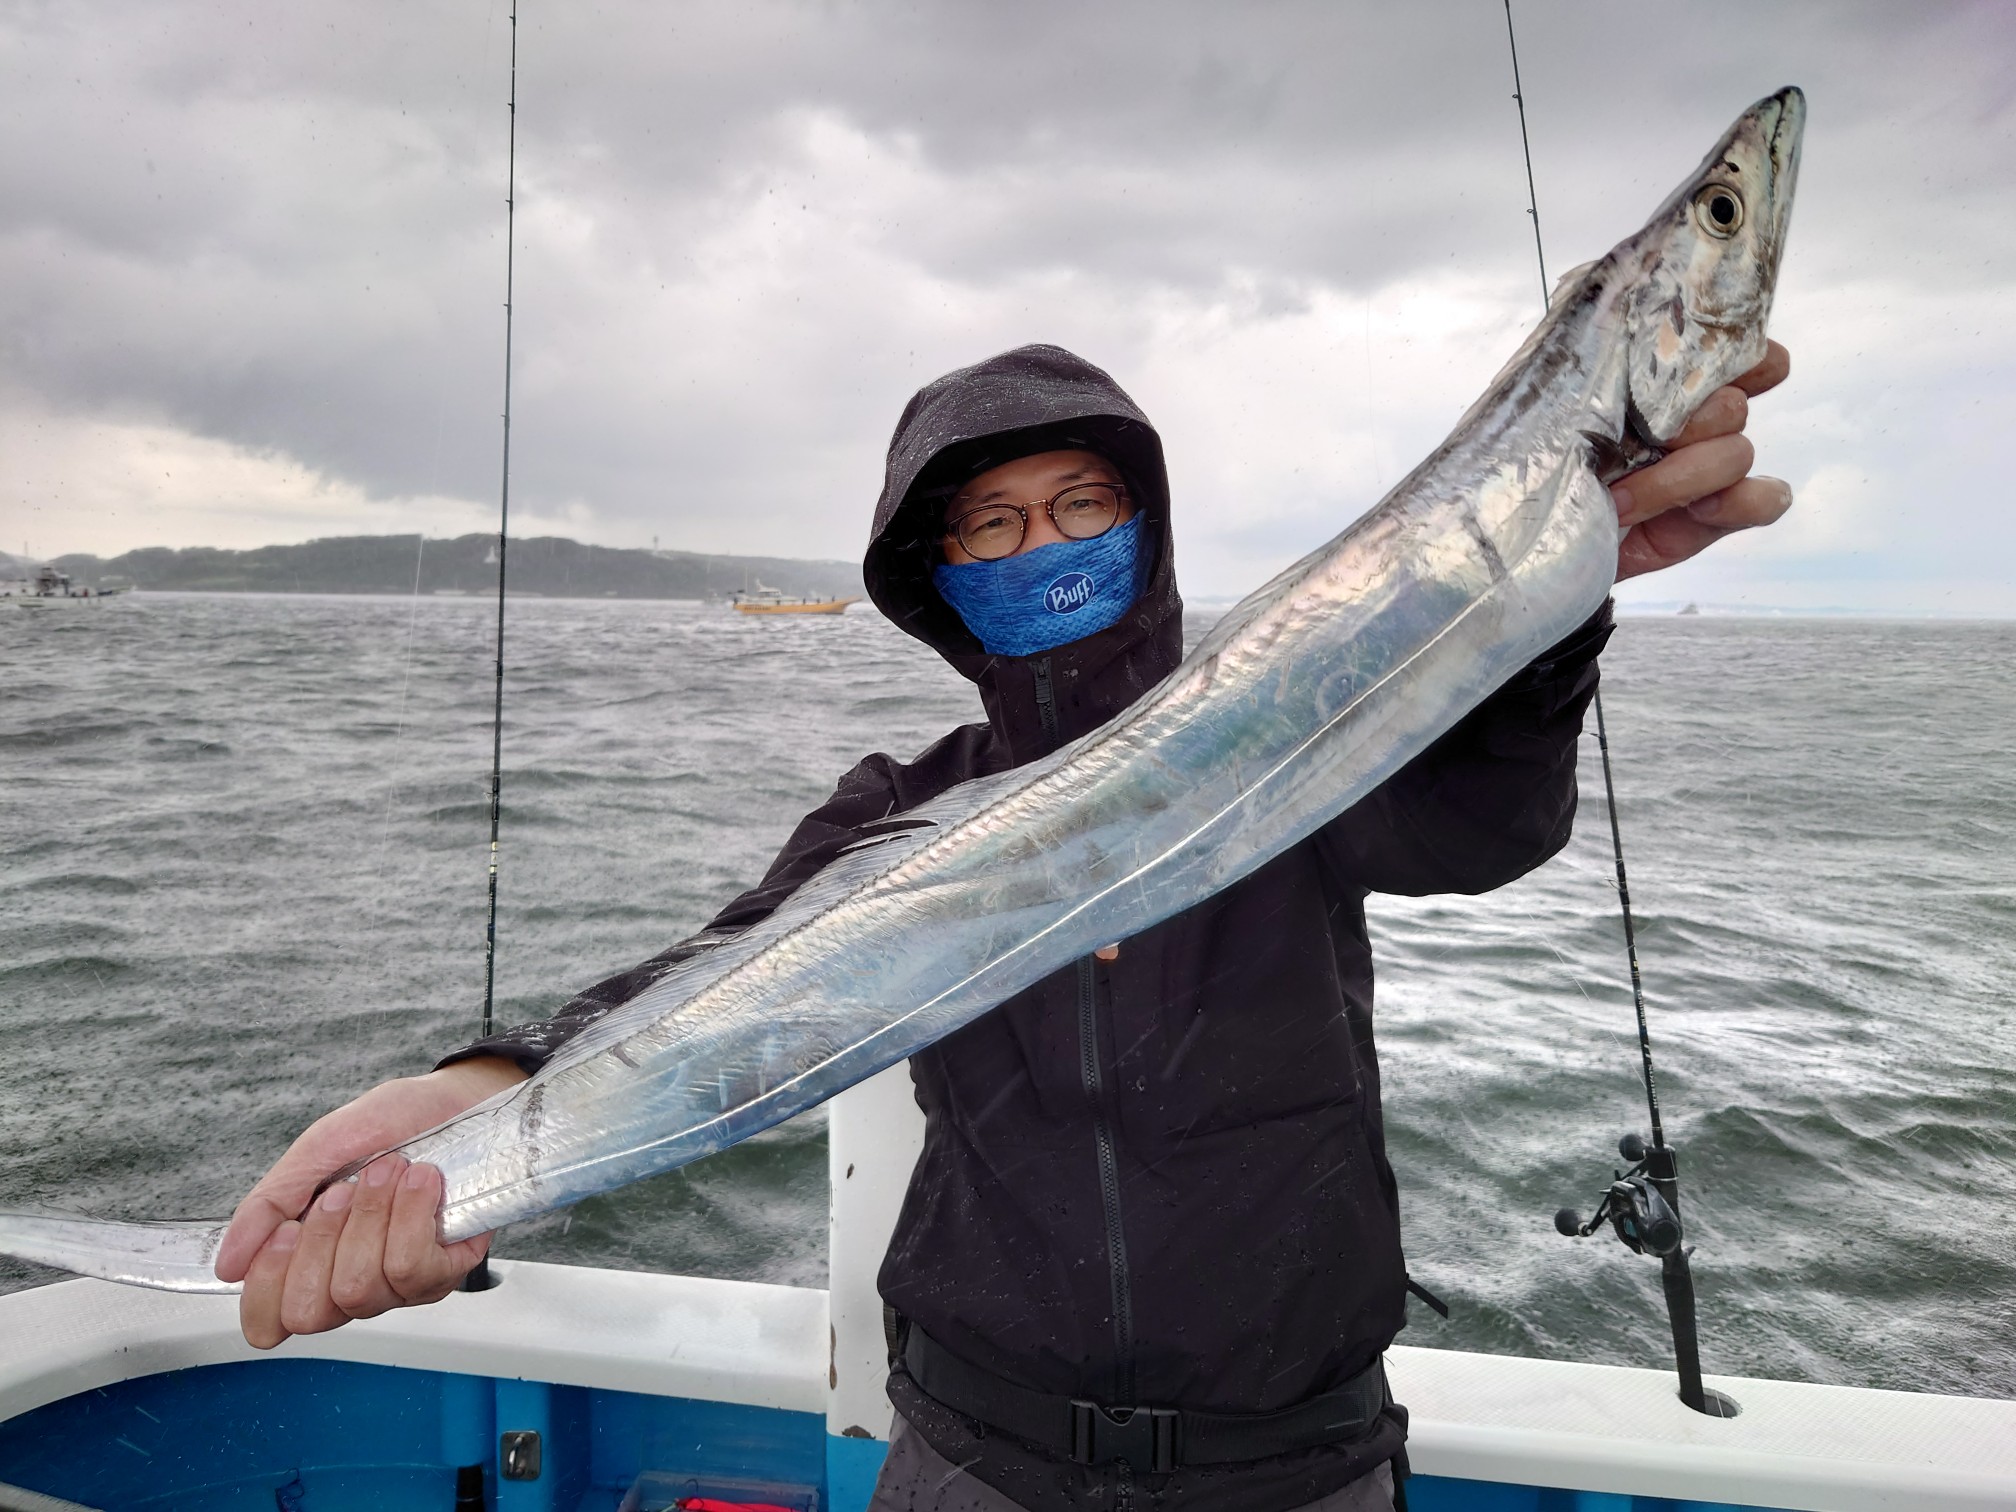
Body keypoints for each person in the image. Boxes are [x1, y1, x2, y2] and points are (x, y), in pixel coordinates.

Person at [216, 341, 1793, 1512]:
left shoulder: (1286, 745)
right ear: (938, 575)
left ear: (1146, 522)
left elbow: (1485, 822)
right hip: (974, 1453)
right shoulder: (901, 805)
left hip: (1290, 1460)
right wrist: (496, 1085)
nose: (1043, 549)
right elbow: (733, 984)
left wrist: (1551, 602)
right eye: (992, 526)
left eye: (1082, 504)